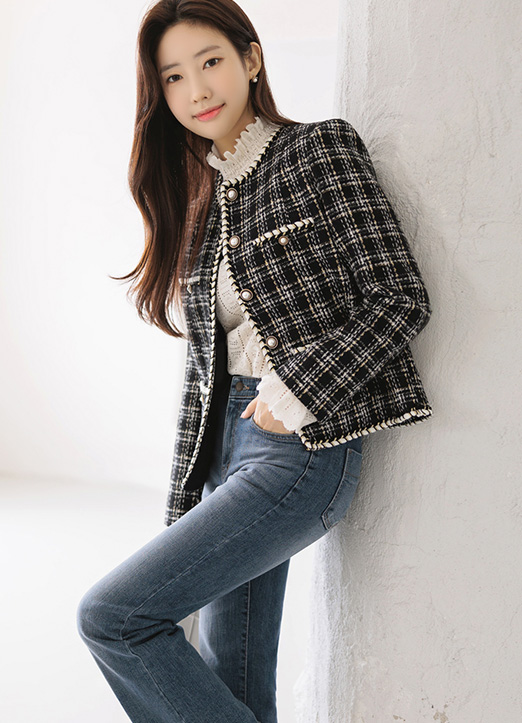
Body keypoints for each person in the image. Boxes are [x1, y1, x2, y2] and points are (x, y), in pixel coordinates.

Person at [76, 1, 434, 721]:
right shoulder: (204, 203)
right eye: (174, 77)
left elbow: (400, 298)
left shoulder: (318, 151)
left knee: (112, 617)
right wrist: (182, 509)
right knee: (233, 680)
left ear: (251, 58)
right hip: (224, 452)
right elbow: (200, 380)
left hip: (297, 447)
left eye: (210, 62)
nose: (197, 89)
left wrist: (295, 390)